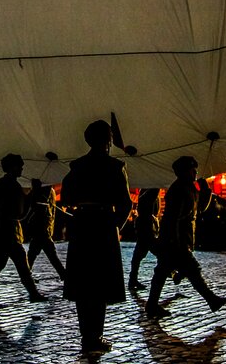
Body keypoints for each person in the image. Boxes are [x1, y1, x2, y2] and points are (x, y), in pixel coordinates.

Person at [61, 120, 132, 355]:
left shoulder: (77, 166)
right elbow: (125, 203)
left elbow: (66, 196)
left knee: (83, 284)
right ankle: (96, 335)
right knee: (100, 284)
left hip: (82, 224)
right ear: (108, 140)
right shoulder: (114, 166)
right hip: (104, 225)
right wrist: (116, 227)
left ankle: (86, 336)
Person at [145, 156, 226, 318]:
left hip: (181, 237)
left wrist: (206, 190)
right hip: (175, 239)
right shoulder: (178, 189)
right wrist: (175, 241)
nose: (195, 172)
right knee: (192, 270)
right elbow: (173, 218)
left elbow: (199, 209)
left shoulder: (189, 187)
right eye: (192, 170)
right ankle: (212, 300)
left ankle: (151, 305)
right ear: (184, 171)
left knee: (162, 271)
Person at [0, 153, 47, 309]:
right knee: (16, 265)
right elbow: (20, 212)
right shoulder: (11, 186)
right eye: (20, 165)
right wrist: (33, 193)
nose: (22, 168)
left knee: (0, 266)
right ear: (12, 167)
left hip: (3, 230)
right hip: (9, 231)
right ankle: (32, 294)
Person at [26, 178, 66, 281]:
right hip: (44, 226)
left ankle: (26, 275)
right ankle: (63, 274)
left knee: (36, 253)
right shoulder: (50, 189)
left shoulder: (43, 189)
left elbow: (36, 205)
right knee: (46, 253)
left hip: (41, 226)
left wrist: (35, 190)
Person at [129, 187, 160, 290]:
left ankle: (132, 280)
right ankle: (171, 272)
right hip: (146, 225)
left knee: (138, 255)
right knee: (157, 251)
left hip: (147, 224)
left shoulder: (147, 190)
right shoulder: (148, 190)